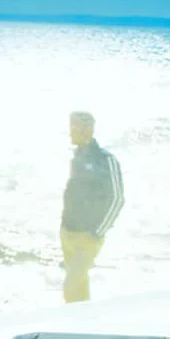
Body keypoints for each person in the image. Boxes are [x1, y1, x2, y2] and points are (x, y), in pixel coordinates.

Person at [60, 111, 124, 303]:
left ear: (86, 130)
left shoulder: (105, 159)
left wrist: (97, 232)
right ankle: (83, 325)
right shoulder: (77, 157)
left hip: (88, 238)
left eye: (74, 127)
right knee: (79, 288)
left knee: (70, 286)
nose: (70, 132)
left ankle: (72, 325)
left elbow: (117, 198)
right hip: (68, 233)